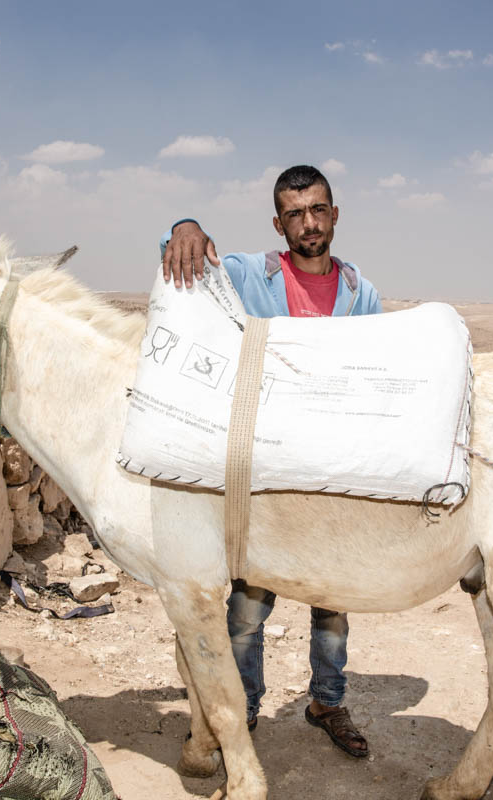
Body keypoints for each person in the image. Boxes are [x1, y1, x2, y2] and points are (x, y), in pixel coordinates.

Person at [158, 165, 382, 758]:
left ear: (335, 214)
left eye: (318, 210)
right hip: (264, 481)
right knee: (246, 611)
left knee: (332, 608)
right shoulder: (248, 276)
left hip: (332, 479)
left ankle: (327, 702)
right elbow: (186, 259)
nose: (309, 223)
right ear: (279, 224)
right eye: (295, 214)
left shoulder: (362, 295)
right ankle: (246, 709)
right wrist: (184, 225)